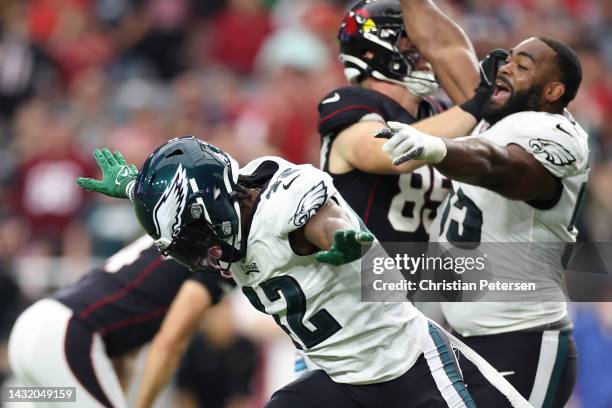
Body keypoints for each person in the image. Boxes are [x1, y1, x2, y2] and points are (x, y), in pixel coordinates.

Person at [75, 136, 530, 407]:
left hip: (405, 363)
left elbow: (326, 222)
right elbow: (190, 195)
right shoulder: (223, 203)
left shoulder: (285, 203)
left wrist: (342, 244)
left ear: (211, 206)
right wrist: (139, 188)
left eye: (195, 235)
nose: (201, 252)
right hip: (341, 380)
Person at [381, 36, 588, 408]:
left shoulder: (557, 133)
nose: (506, 67)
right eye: (507, 60)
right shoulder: (496, 119)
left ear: (554, 91)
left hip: (523, 340)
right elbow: (445, 46)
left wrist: (436, 147)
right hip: (464, 340)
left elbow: (502, 167)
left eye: (522, 66)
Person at [318, 0, 481, 245]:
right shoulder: (350, 102)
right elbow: (392, 152)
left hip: (430, 273)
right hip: (363, 274)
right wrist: (480, 104)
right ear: (371, 50)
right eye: (412, 43)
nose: (426, 52)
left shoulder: (441, 112)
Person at [8, 235, 226, 408]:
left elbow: (122, 348)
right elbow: (170, 343)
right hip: (66, 337)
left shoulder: (174, 230)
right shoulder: (218, 249)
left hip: (31, 331)